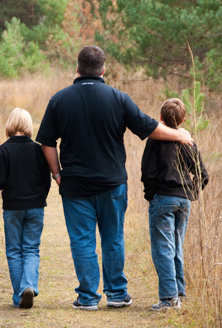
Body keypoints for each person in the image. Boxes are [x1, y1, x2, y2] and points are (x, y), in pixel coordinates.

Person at [36, 46, 194, 311]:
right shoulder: (118, 98)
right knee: (113, 238)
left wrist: (57, 174)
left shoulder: (59, 100)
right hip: (112, 184)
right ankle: (117, 295)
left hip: (74, 184)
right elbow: (148, 126)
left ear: (77, 68)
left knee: (82, 241)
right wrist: (179, 135)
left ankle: (87, 298)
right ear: (103, 69)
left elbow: (46, 143)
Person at [0, 107, 51, 309]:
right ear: (28, 126)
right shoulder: (39, 150)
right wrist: (39, 198)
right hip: (35, 207)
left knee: (14, 251)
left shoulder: (3, 150)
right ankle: (28, 286)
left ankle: (19, 296)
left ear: (10, 125)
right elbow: (46, 181)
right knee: (31, 249)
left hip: (12, 208)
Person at [141, 98, 209, 311]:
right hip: (183, 200)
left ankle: (169, 298)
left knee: (163, 247)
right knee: (176, 245)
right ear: (183, 119)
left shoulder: (154, 141)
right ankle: (179, 292)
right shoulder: (188, 142)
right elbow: (203, 175)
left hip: (163, 198)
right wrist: (190, 193)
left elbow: (147, 173)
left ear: (160, 118)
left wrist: (151, 195)